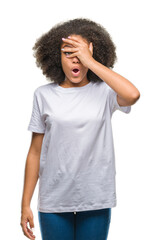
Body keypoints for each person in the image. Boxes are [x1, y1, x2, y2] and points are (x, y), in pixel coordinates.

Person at [20, 18, 140, 240]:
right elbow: (35, 152)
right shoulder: (43, 95)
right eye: (68, 53)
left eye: (81, 53)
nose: (75, 60)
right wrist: (25, 204)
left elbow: (132, 95)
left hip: (95, 196)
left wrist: (91, 61)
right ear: (57, 57)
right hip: (54, 198)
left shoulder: (105, 92)